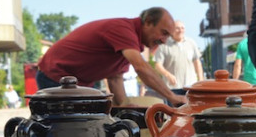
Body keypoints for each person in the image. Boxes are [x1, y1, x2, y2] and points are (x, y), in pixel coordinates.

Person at [36, 7, 187, 107]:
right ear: (148, 23)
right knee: (71, 129)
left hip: (78, 83)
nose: (164, 40)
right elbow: (141, 68)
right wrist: (172, 97)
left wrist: (124, 107)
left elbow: (115, 79)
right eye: (164, 33)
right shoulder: (123, 30)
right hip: (55, 75)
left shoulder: (130, 43)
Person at [153, 20, 204, 94]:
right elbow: (157, 65)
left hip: (190, 87)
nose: (180, 30)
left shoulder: (191, 43)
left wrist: (201, 80)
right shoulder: (163, 45)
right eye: (177, 28)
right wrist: (168, 75)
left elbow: (197, 63)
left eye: (182, 28)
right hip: (173, 88)